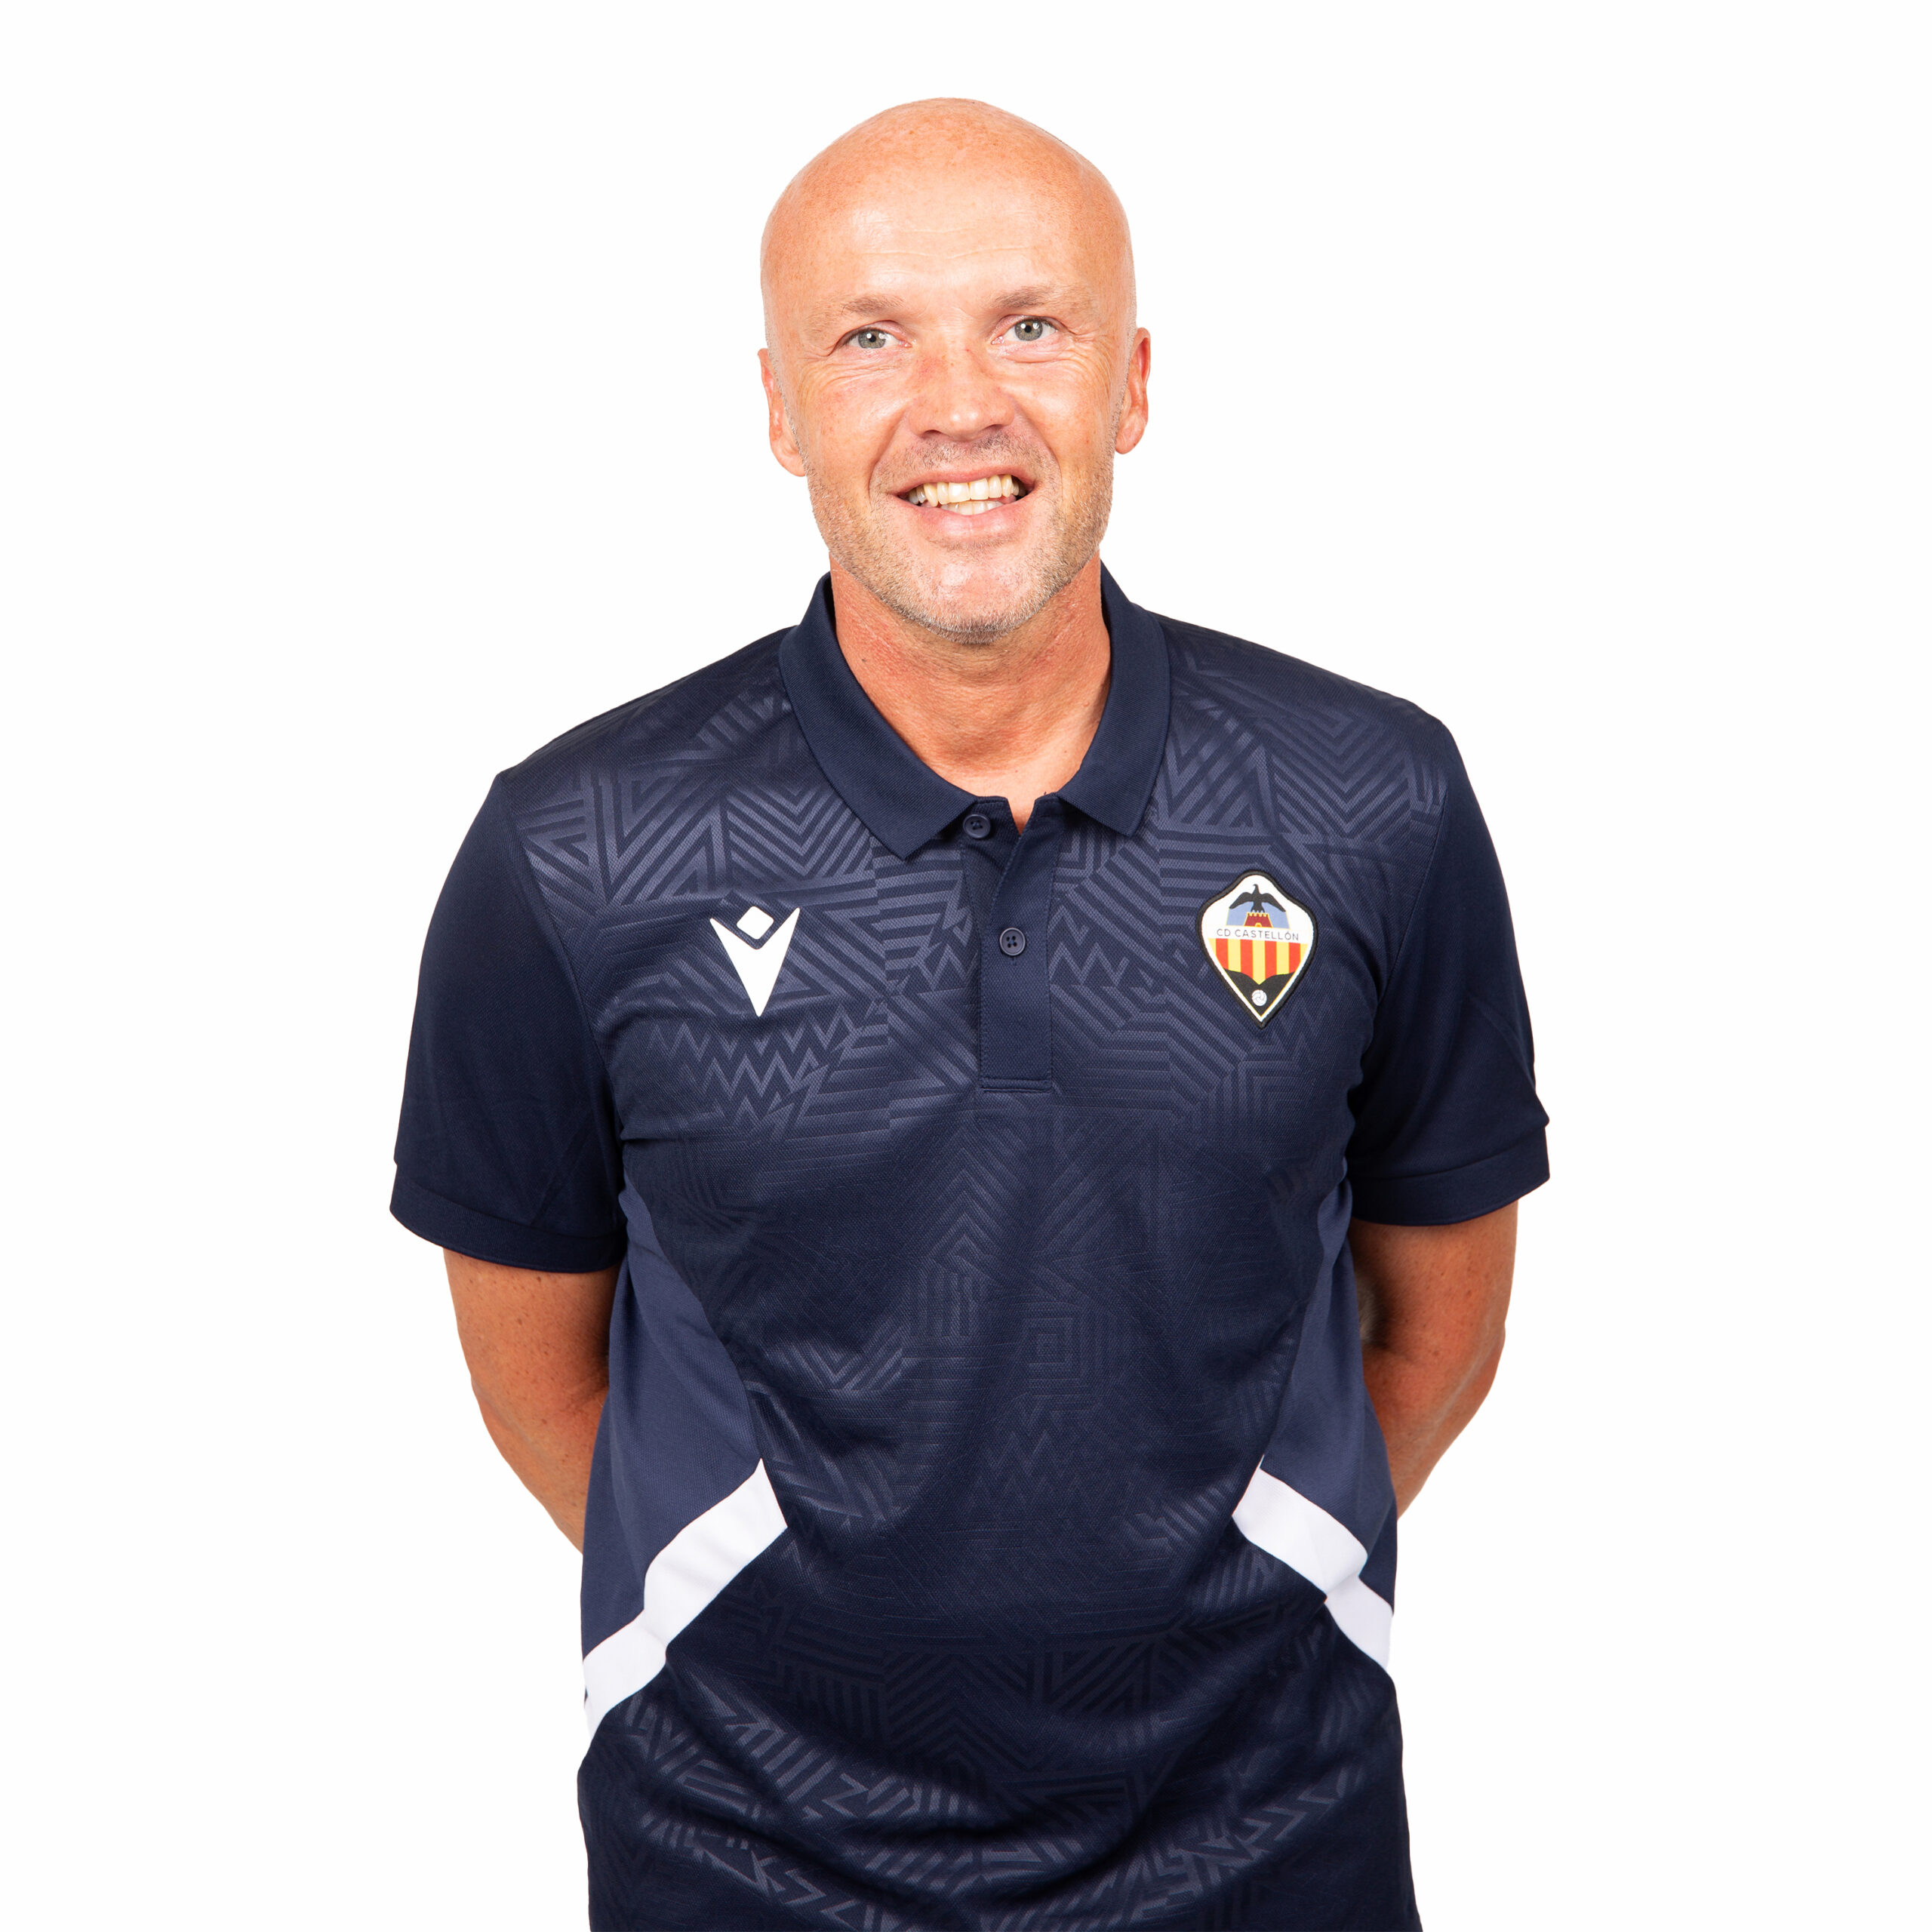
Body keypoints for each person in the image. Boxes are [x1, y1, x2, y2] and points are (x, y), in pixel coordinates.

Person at [392, 97, 1548, 1931]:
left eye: (1029, 324)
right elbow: (540, 1377)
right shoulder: (579, 845)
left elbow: (1440, 1323)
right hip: (738, 1856)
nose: (957, 405)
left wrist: (1251, 1559)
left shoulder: (1368, 800)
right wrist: (776, 1598)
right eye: (870, 337)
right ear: (778, 408)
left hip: (1271, 1844)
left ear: (1131, 382)